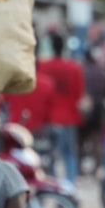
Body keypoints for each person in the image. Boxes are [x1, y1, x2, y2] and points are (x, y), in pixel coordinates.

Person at [40, 33, 86, 185]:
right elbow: (79, 94)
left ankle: (52, 187)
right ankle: (70, 188)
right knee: (69, 155)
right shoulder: (74, 67)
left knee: (50, 157)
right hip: (69, 117)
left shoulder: (42, 66)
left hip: (49, 118)